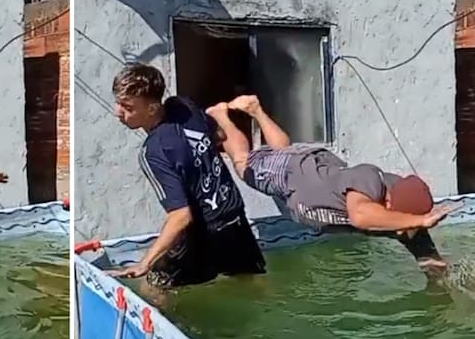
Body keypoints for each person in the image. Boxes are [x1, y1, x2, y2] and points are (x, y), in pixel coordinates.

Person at [209, 93, 451, 272]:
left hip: (316, 169)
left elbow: (429, 256)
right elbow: (360, 214)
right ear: (389, 201)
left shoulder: (402, 216)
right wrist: (419, 219)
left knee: (283, 149)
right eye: (404, 221)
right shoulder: (371, 179)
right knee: (244, 165)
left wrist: (444, 283)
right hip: (293, 174)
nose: (401, 230)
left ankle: (256, 110)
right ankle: (221, 115)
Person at [109, 63, 266, 288]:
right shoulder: (183, 106)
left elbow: (182, 216)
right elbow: (220, 135)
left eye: (128, 107)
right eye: (118, 103)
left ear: (152, 109)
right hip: (234, 218)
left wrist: (144, 262)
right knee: (251, 283)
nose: (118, 112)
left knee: (154, 285)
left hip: (202, 234)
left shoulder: (152, 152)